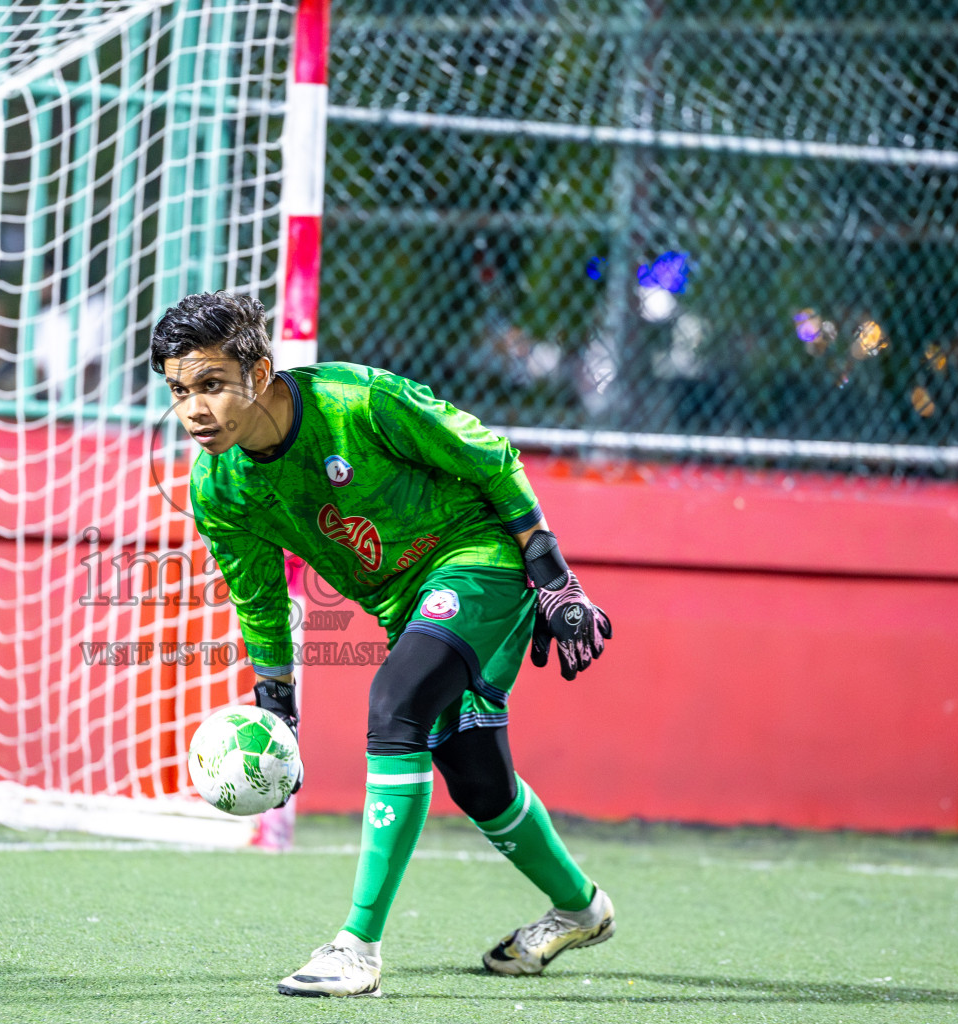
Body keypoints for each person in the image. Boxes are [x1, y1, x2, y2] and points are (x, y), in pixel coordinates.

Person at [151, 291, 615, 998]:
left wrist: (553, 576)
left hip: (479, 558)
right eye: (180, 390)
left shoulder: (357, 401)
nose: (194, 409)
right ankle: (582, 909)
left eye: (212, 385)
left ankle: (357, 947)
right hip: (410, 611)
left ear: (262, 372)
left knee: (395, 706)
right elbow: (259, 595)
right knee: (478, 781)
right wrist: (277, 705)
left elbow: (486, 454)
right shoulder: (218, 486)